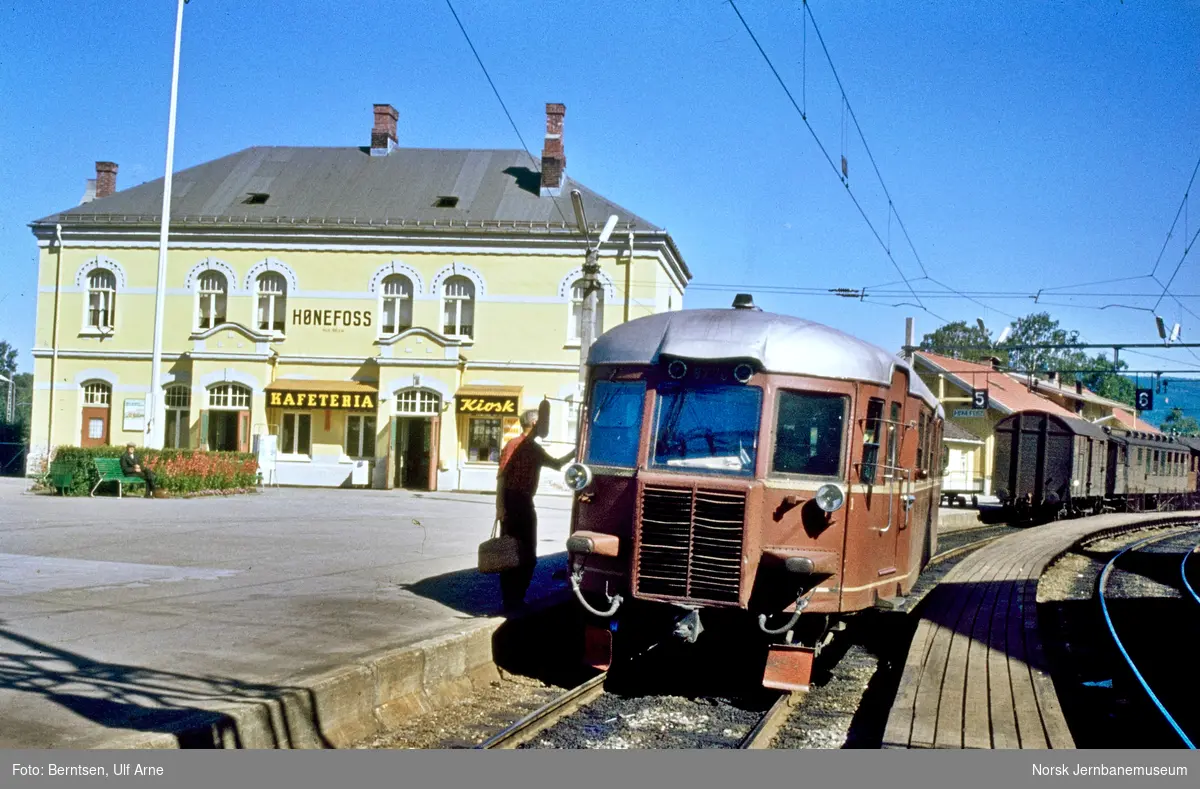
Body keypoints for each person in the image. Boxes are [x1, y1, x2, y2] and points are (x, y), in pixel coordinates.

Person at [496, 409, 575, 609]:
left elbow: (557, 464)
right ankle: (510, 600)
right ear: (532, 423)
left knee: (528, 554)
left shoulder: (534, 448)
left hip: (525, 501)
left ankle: (517, 598)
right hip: (512, 501)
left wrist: (578, 449)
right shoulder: (513, 445)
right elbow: (502, 478)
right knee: (510, 552)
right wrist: (500, 507)